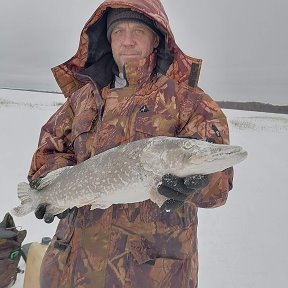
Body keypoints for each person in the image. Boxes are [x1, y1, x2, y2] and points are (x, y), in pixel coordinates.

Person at [28, 0, 234, 287]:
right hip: (72, 269)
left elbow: (218, 181)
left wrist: (198, 183)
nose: (127, 41)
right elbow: (49, 151)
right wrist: (54, 188)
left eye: (138, 30)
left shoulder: (189, 100)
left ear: (156, 39)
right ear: (108, 40)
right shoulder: (82, 99)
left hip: (147, 274)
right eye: (118, 31)